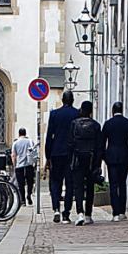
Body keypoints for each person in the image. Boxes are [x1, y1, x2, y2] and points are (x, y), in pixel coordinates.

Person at [44, 89, 77, 223]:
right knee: (70, 183)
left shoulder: (54, 114)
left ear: (62, 100)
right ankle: (66, 213)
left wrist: (48, 155)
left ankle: (56, 208)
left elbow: (49, 136)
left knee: (55, 182)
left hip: (56, 152)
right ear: (72, 100)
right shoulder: (76, 114)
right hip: (71, 153)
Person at [101, 100, 128, 222]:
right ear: (122, 110)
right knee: (122, 185)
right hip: (124, 157)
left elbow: (102, 143)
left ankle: (115, 212)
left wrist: (105, 157)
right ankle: (122, 211)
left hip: (111, 158)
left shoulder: (108, 124)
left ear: (112, 111)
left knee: (113, 185)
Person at [69, 99, 103, 225]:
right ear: (91, 111)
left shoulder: (74, 124)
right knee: (90, 187)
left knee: (78, 187)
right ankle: (88, 214)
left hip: (77, 159)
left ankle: (80, 213)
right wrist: (98, 164)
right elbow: (100, 147)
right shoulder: (96, 125)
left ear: (81, 110)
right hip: (91, 160)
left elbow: (70, 143)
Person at [11, 126, 36, 205]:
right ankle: (29, 195)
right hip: (29, 165)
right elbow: (34, 152)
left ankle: (22, 200)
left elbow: (13, 155)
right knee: (30, 182)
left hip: (19, 165)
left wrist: (14, 165)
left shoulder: (16, 143)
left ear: (19, 134)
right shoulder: (30, 141)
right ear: (25, 133)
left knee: (21, 183)